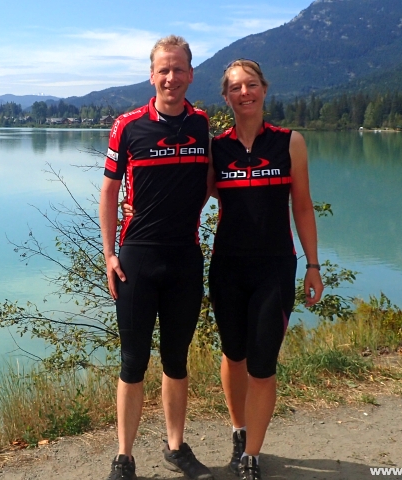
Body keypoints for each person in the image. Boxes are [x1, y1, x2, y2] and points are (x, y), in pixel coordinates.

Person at [98, 35, 214, 480]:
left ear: (190, 74)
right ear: (152, 75)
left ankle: (176, 447)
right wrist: (109, 254)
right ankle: (124, 457)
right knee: (132, 361)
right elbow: (108, 192)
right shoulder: (127, 126)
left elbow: (208, 181)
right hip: (137, 262)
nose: (171, 77)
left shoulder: (202, 124)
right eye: (163, 69)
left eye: (178, 69)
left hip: (184, 259)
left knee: (177, 360)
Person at [209, 59, 323, 480]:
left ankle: (252, 455)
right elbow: (189, 201)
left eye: (251, 84)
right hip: (227, 269)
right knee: (233, 354)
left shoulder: (289, 142)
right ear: (226, 96)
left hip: (275, 269)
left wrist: (312, 265)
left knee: (262, 364)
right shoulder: (216, 148)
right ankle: (239, 428)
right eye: (235, 87)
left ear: (264, 90)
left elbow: (304, 208)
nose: (245, 93)